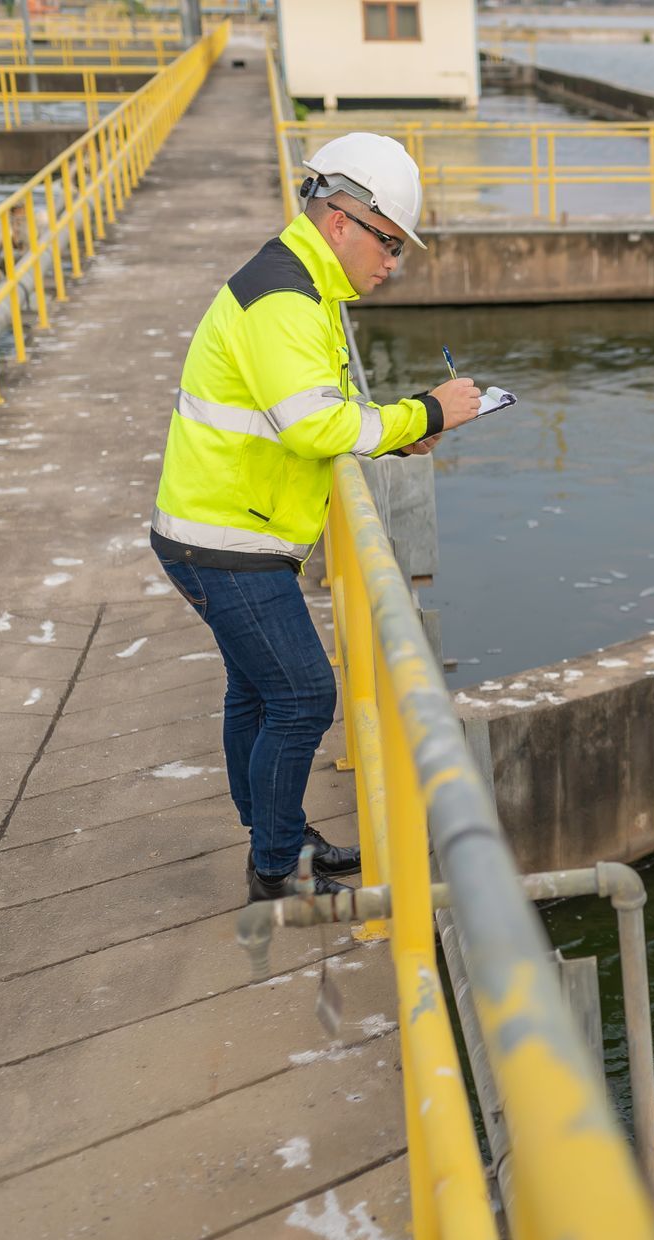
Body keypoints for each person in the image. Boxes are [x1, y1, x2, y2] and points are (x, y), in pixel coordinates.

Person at [150, 132, 479, 903]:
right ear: (341, 220)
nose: (392, 262)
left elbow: (318, 409)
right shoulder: (286, 298)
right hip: (225, 539)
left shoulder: (300, 283)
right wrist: (427, 408)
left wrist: (395, 435)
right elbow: (311, 428)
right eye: (388, 242)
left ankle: (276, 832)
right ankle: (274, 866)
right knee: (302, 695)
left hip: (221, 527)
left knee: (258, 691)